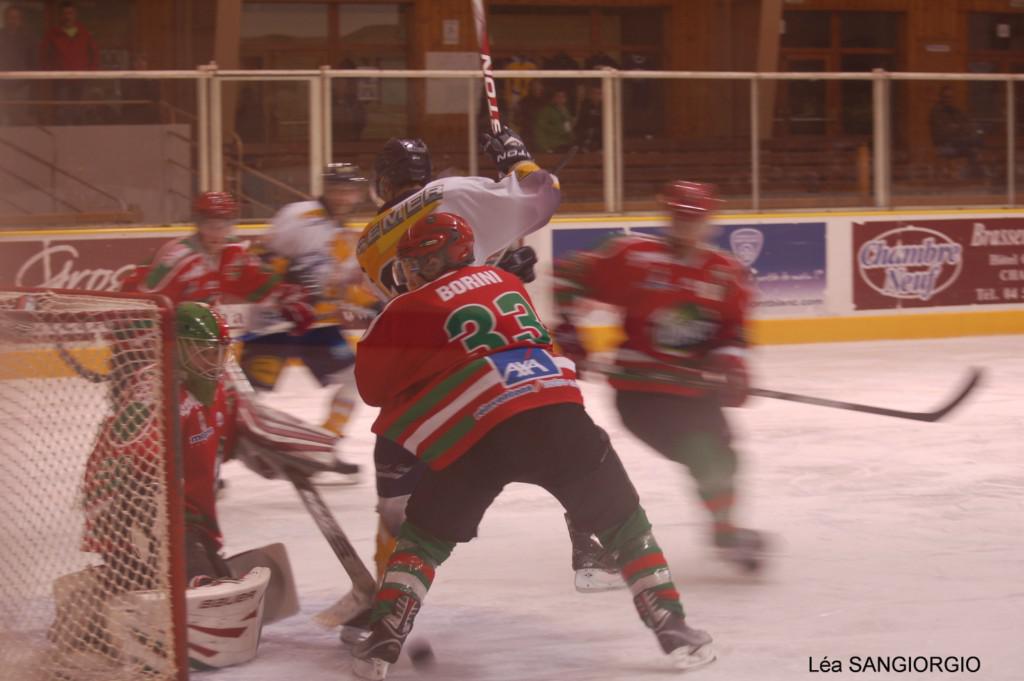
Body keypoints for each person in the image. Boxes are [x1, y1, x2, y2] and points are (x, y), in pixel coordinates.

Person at [348, 212, 715, 680]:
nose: (411, 273)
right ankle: (672, 625)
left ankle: (382, 640)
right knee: (626, 524)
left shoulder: (407, 308)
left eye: (416, 262)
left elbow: (372, 388)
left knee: (424, 538)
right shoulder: (504, 279)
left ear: (435, 259)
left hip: (472, 430)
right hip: (552, 412)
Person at [317, 129, 555, 637]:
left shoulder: (367, 239)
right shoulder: (457, 192)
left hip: (421, 376)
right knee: (548, 446)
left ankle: (389, 591)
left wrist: (497, 257)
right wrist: (518, 161)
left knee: (398, 501)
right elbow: (543, 197)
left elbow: (430, 281)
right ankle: (588, 533)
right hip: (483, 372)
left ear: (383, 182)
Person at [553, 181, 768, 572]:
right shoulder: (633, 257)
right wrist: (570, 332)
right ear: (669, 216)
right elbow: (568, 275)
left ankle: (725, 529)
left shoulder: (726, 273)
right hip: (642, 396)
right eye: (680, 217)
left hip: (693, 392)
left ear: (709, 220)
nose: (687, 225)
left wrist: (732, 363)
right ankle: (727, 535)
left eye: (695, 218)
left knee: (726, 459)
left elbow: (732, 330)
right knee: (706, 456)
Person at [57, 302, 270, 672]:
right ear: (179, 349)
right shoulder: (153, 389)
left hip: (186, 516)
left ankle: (95, 596)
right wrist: (136, 506)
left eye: (219, 351)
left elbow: (237, 428)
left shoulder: (220, 388)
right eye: (204, 351)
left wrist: (275, 447)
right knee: (190, 580)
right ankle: (96, 613)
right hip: (137, 513)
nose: (214, 360)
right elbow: (123, 452)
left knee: (209, 577)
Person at [240, 163, 374, 441]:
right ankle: (218, 457)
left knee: (354, 380)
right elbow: (257, 256)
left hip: (316, 326)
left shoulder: (347, 238)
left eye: (350, 192)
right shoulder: (298, 216)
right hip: (273, 323)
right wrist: (288, 274)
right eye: (338, 190)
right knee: (247, 394)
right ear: (326, 189)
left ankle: (326, 444)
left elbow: (341, 287)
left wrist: (374, 306)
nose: (344, 198)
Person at [127, 191, 314, 333]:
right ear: (198, 225)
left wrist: (287, 298)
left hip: (202, 340)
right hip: (164, 339)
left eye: (223, 226)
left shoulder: (233, 253)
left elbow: (258, 281)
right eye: (210, 226)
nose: (217, 235)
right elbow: (143, 307)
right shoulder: (178, 259)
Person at [38, 1, 98, 125]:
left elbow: (95, 54)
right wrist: (51, 72)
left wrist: (91, 73)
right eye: (64, 13)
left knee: (81, 112)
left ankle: (81, 141)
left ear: (75, 14)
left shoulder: (84, 33)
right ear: (61, 15)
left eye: (70, 13)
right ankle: (63, 141)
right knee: (62, 112)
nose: (67, 16)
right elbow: (44, 55)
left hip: (81, 79)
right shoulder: (52, 34)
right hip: (61, 81)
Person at [929, 85, 984, 178]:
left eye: (950, 97)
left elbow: (966, 124)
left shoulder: (955, 110)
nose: (948, 100)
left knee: (976, 143)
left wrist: (959, 128)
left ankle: (974, 174)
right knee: (972, 149)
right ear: (941, 98)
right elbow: (944, 131)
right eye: (946, 97)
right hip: (944, 144)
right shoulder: (936, 112)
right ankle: (974, 174)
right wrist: (957, 129)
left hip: (956, 142)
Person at [0, 4, 36, 126]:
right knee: (3, 120)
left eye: (16, 18)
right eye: (10, 18)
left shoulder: (28, 37)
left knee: (19, 119)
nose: (13, 21)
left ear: (20, 20)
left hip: (21, 86)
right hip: (2, 85)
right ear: (5, 19)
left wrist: (28, 80)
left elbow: (32, 61)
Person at [533, 88, 574, 153]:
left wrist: (572, 143)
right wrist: (546, 148)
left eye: (563, 96)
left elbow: (568, 130)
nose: (560, 99)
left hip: (566, 146)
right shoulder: (546, 111)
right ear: (554, 98)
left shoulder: (566, 112)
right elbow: (539, 131)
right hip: (552, 147)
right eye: (558, 96)